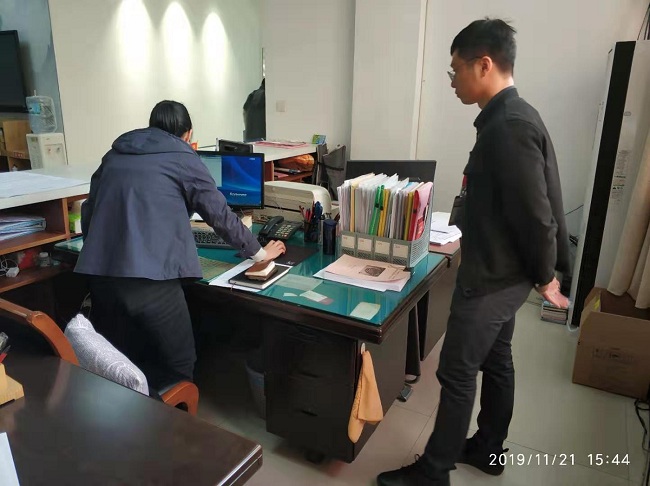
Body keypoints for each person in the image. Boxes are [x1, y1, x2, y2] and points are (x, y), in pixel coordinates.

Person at [377, 19, 570, 486]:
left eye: (455, 70)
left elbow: (537, 215)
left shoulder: (510, 126)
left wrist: (547, 276)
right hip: (503, 271)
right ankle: (488, 449)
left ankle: (433, 473)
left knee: (456, 371)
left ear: (484, 65)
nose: (452, 81)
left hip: (492, 278)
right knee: (497, 360)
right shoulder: (510, 117)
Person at [75, 100, 285, 381]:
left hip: (102, 277)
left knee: (120, 359)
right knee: (181, 362)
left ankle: (134, 406)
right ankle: (177, 408)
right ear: (188, 134)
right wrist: (260, 254)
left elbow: (89, 210)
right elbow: (220, 215)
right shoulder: (184, 157)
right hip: (151, 282)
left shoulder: (114, 155)